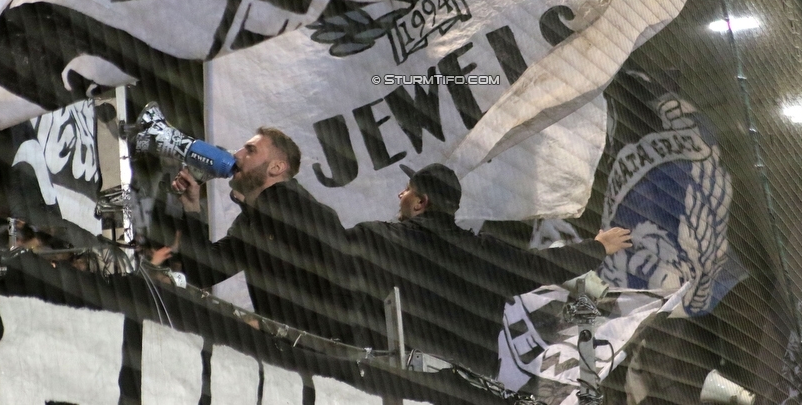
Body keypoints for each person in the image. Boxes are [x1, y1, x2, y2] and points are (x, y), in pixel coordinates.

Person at [347, 163, 632, 378]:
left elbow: (322, 245)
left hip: (397, 383)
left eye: (408, 189)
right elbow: (542, 266)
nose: (401, 194)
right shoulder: (486, 255)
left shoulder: (378, 239)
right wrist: (597, 247)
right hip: (468, 388)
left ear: (421, 203)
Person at [170, 127, 352, 341]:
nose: (237, 155)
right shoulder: (251, 222)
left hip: (316, 360)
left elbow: (346, 290)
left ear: (276, 167)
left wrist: (309, 344)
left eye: (250, 150)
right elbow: (203, 272)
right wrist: (192, 208)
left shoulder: (306, 211)